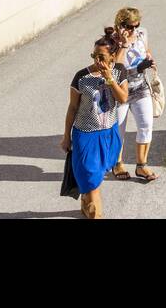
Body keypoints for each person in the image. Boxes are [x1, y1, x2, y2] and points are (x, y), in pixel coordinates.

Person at [62, 35, 129, 219]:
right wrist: (66, 136)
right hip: (86, 135)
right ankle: (95, 214)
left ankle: (86, 203)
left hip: (109, 133)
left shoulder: (119, 71)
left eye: (101, 56)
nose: (97, 60)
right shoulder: (81, 77)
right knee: (91, 179)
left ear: (112, 57)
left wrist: (109, 79)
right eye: (94, 55)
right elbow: (72, 107)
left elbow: (123, 99)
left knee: (96, 176)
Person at [108, 8, 158, 182]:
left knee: (146, 126)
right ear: (120, 25)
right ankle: (117, 163)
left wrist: (150, 60)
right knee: (119, 131)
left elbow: (146, 50)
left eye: (137, 26)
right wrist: (124, 43)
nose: (134, 30)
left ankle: (141, 166)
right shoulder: (110, 41)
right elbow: (115, 68)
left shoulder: (141, 34)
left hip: (140, 87)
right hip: (120, 91)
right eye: (130, 26)